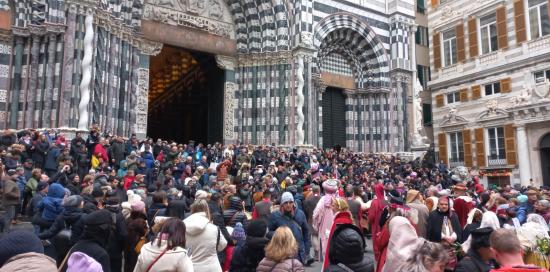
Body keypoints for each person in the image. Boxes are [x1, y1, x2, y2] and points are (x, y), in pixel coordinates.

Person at [183, 199, 227, 272]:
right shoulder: (214, 228)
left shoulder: (183, 227)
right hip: (212, 267)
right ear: (207, 209)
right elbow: (222, 245)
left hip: (191, 267)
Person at [268, 192, 311, 265]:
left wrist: (306, 249)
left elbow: (306, 232)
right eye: (286, 202)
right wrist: (279, 235)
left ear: (293, 202)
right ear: (282, 204)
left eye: (290, 202)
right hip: (282, 253)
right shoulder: (275, 216)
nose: (288, 205)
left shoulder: (300, 214)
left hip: (298, 253)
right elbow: (268, 233)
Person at [312, 179, 338, 261]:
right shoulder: (337, 199)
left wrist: (316, 224)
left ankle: (326, 261)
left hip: (325, 225)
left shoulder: (323, 199)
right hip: (336, 224)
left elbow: (316, 213)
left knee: (325, 242)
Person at [0, 168, 20, 233]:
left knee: (8, 217)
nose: (17, 176)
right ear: (12, 175)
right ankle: (6, 232)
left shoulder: (10, 182)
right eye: (16, 174)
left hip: (10, 203)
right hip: (10, 203)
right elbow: (7, 192)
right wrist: (16, 195)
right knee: (8, 218)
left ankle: (5, 230)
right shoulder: (10, 182)